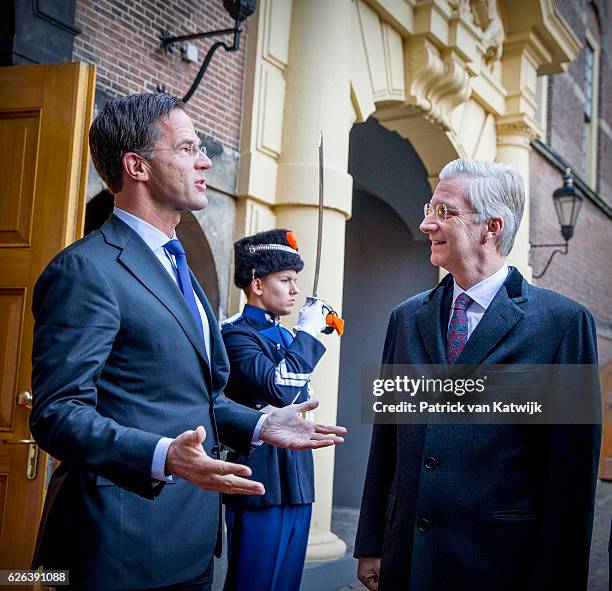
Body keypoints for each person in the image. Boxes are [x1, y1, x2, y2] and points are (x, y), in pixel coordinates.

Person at [29, 93, 345, 591]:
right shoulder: (85, 270)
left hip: (194, 544)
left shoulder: (182, 269)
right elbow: (58, 413)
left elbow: (202, 397)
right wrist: (162, 455)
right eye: (187, 148)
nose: (204, 160)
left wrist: (262, 424)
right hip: (117, 547)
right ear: (136, 165)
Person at [354, 159, 601, 590]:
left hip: (502, 568)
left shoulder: (563, 324)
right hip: (406, 563)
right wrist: (372, 541)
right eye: (430, 208)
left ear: (491, 227)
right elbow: (386, 439)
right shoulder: (406, 317)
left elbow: (571, 480)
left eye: (444, 212)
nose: (427, 223)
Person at [221, 229, 328, 591]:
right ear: (257, 283)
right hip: (260, 481)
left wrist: (303, 336)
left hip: (296, 479)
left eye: (295, 280)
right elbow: (280, 388)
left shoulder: (286, 336)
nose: (294, 290)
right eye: (285, 280)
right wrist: (309, 336)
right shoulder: (235, 335)